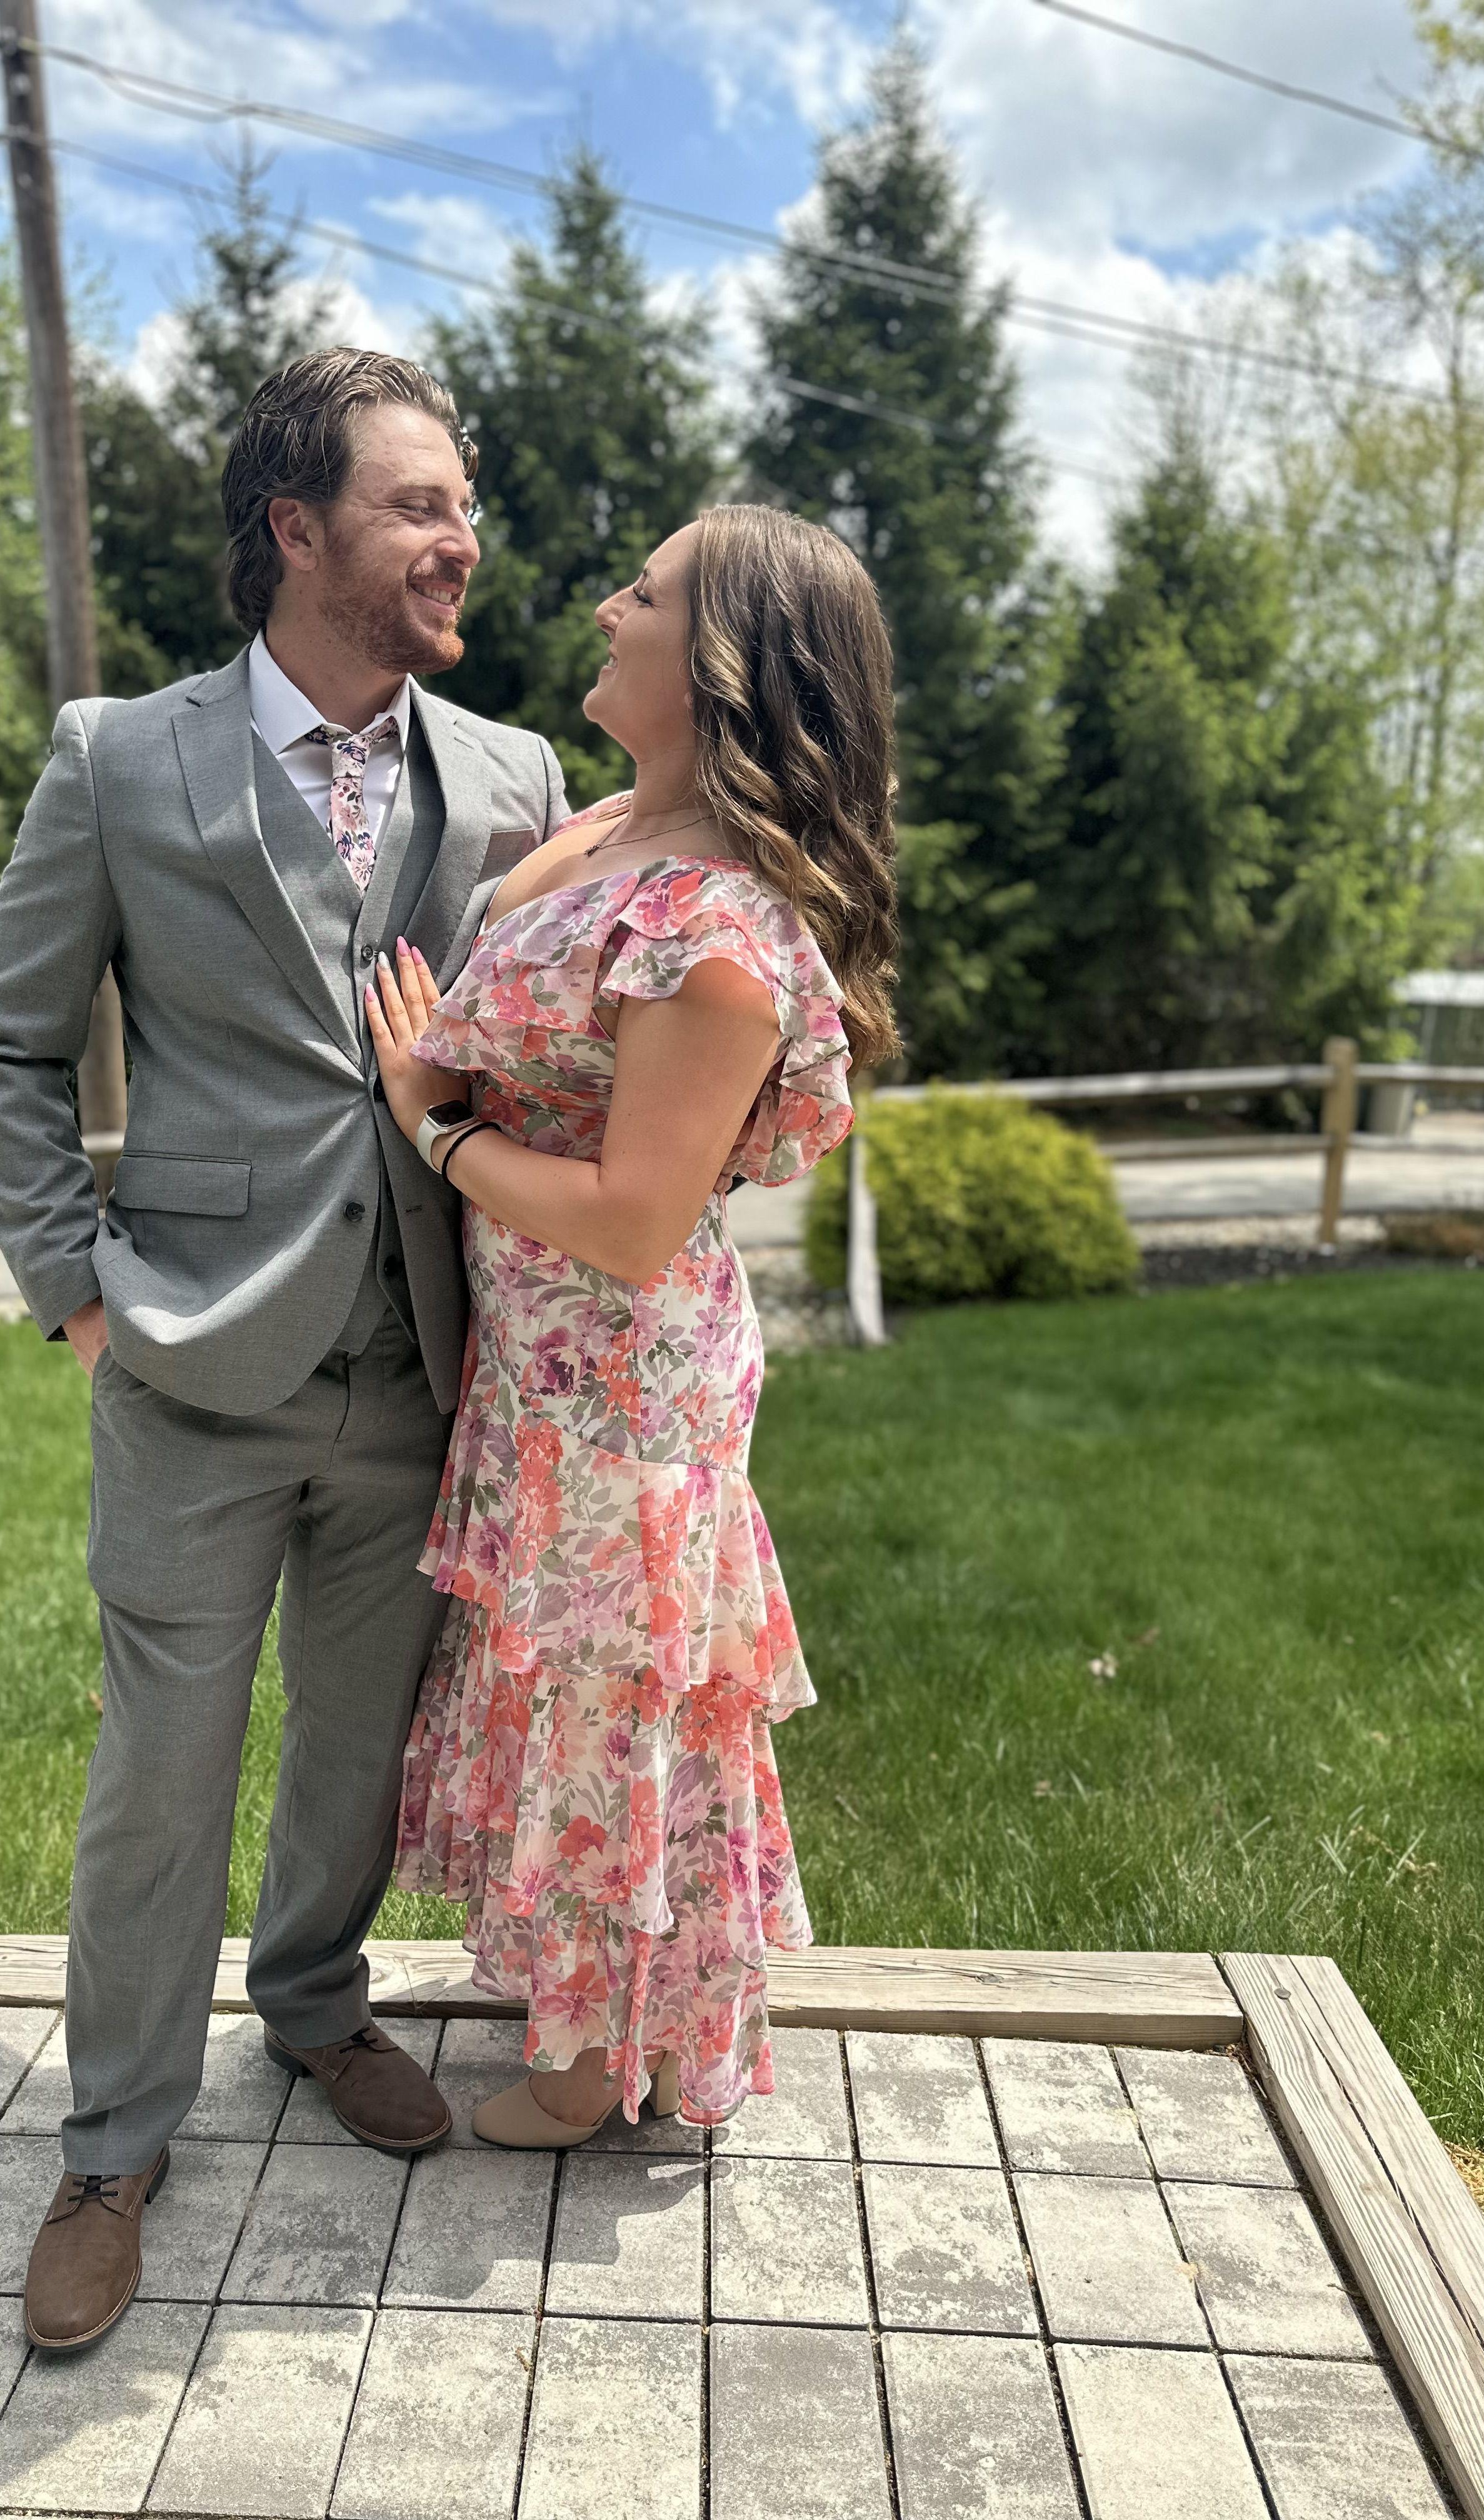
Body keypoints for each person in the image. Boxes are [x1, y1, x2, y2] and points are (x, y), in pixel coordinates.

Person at [0, 350, 571, 2349]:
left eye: (462, 503)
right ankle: (115, 2139)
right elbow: (3, 1043)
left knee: (358, 1742)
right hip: (191, 1364)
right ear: (299, 529)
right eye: (417, 505)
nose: (459, 538)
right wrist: (74, 1285)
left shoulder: (515, 779)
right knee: (165, 1768)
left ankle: (313, 2005)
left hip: (425, 1365)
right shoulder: (123, 759)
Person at [367, 502, 901, 2140]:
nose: (608, 607)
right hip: (544, 1370)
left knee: (608, 1700)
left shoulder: (714, 928)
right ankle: (603, 2012)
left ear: (729, 660)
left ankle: (594, 2065)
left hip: (618, 1381)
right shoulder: (610, 829)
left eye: (646, 592)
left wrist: (433, 1128)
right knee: (577, 1688)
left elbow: (634, 1215)